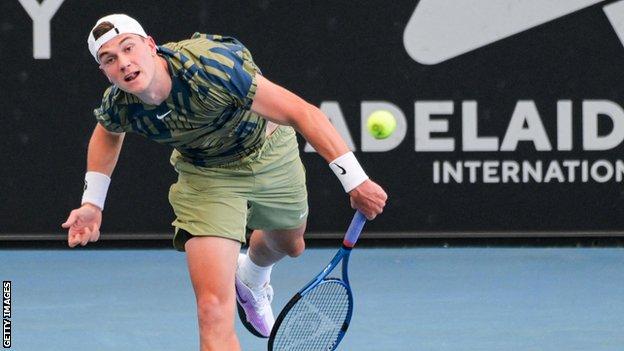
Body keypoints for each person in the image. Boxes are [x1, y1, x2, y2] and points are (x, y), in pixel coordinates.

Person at [62, 14, 387, 351]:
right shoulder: (121, 103)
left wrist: (356, 181)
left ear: (150, 44)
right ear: (104, 71)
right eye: (110, 60)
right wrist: (92, 202)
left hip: (269, 150)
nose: (124, 64)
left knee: (290, 245)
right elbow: (108, 132)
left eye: (128, 48)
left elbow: (301, 113)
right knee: (212, 310)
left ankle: (252, 275)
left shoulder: (210, 67)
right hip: (206, 176)